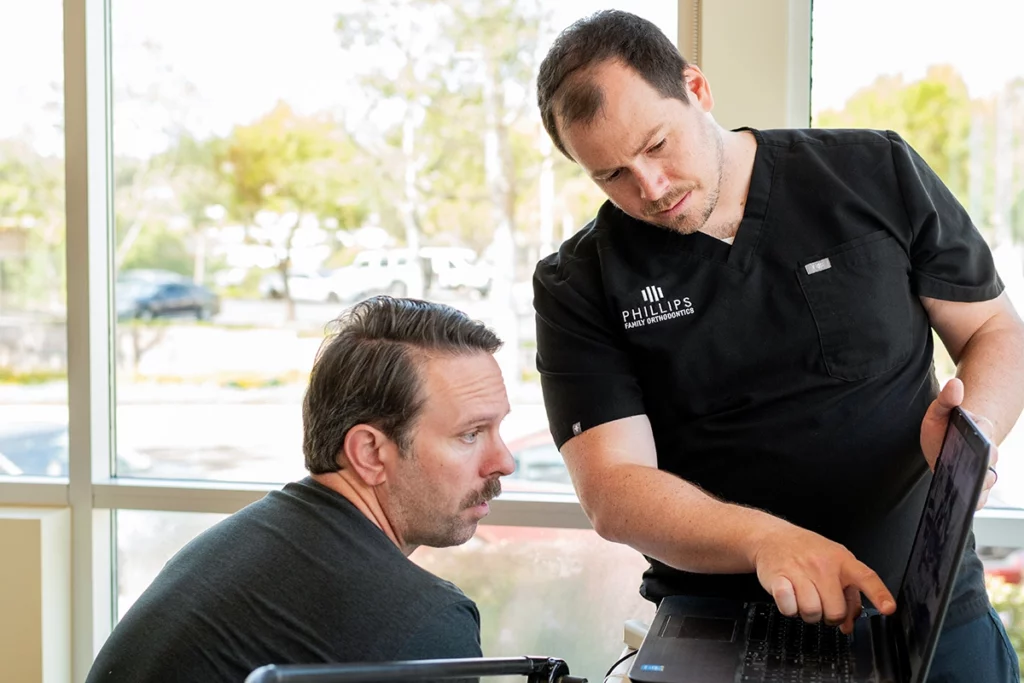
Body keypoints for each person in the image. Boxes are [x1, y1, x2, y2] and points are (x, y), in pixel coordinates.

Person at [531, 10, 1024, 682]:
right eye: (611, 175)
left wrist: (975, 432)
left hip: (927, 598)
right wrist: (768, 541)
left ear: (696, 90)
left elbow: (995, 332)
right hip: (724, 624)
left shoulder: (873, 171)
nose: (649, 189)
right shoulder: (579, 282)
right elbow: (614, 489)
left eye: (656, 146)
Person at [86, 296, 516, 682]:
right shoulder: (422, 623)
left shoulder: (235, 547)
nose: (504, 462)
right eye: (470, 434)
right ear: (369, 452)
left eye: (498, 429)